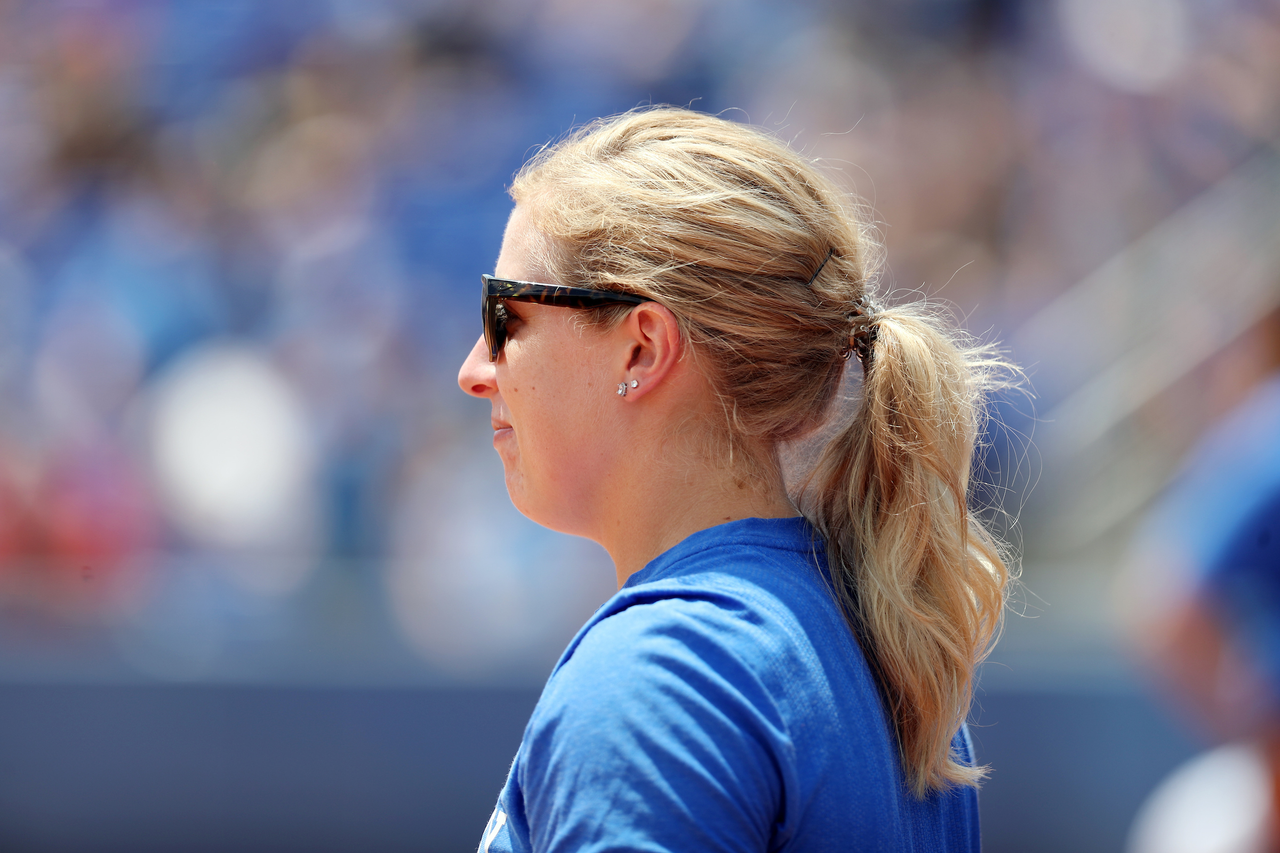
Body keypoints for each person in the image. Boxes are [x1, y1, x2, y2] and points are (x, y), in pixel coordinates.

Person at [457, 107, 1016, 852]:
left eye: (507, 317)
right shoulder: (876, 648)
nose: (474, 370)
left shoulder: (660, 678)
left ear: (641, 349)